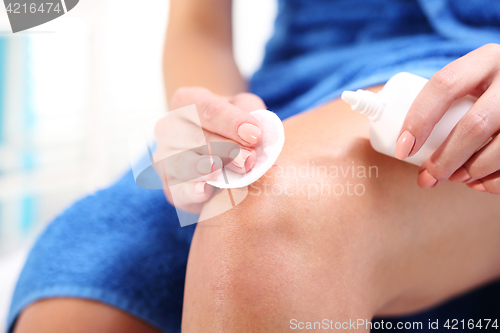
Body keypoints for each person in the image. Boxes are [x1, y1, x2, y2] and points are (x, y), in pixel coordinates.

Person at [9, 0, 500, 332]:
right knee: (72, 308)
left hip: (480, 82)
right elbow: (199, 29)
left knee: (272, 213)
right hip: (290, 84)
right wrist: (215, 118)